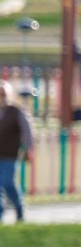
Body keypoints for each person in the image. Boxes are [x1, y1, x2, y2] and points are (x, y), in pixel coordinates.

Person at [0, 81, 31, 224]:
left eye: (3, 94)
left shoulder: (16, 112)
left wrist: (28, 148)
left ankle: (19, 207)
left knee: (7, 182)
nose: (1, 98)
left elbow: (27, 131)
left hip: (9, 155)